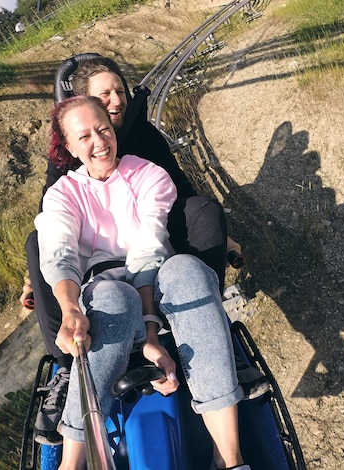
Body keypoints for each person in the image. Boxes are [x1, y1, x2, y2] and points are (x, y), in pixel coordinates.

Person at [26, 55, 268, 445]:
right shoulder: (69, 170)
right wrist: (41, 284)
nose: (116, 100)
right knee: (37, 245)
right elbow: (55, 233)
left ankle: (211, 328)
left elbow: (180, 195)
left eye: (119, 90)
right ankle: (68, 364)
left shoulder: (146, 141)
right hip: (98, 263)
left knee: (204, 211)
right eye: (104, 95)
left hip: (155, 233)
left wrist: (222, 238)